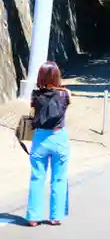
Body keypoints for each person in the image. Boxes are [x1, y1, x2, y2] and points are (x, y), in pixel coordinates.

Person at [26, 61, 71, 227]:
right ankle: (55, 216)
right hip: (59, 137)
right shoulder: (66, 94)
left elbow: (31, 114)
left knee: (37, 177)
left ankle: (33, 217)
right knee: (59, 178)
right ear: (57, 76)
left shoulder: (34, 95)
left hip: (40, 140)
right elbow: (64, 109)